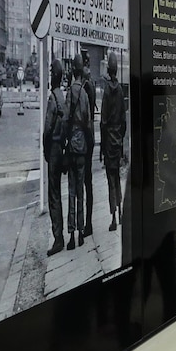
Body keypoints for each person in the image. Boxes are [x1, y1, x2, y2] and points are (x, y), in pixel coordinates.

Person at [64, 55, 91, 250]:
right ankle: (81, 232)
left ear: (73, 71)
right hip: (82, 147)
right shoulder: (85, 95)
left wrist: (67, 139)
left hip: (71, 147)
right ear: (82, 72)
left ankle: (71, 235)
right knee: (80, 190)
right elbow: (89, 124)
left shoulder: (69, 93)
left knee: (71, 191)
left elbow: (65, 120)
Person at [99, 51, 126, 232]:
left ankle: (114, 217)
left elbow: (102, 121)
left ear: (109, 70)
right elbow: (124, 120)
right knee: (117, 177)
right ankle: (122, 211)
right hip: (118, 140)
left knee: (110, 178)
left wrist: (102, 145)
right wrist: (121, 139)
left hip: (109, 140)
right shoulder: (121, 90)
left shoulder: (107, 90)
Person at [42, 59, 66, 257]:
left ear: (54, 76)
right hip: (62, 147)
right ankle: (60, 235)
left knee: (54, 195)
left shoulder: (52, 98)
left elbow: (47, 128)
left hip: (53, 149)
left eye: (51, 73)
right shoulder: (63, 97)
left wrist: (45, 148)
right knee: (58, 192)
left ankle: (58, 238)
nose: (50, 76)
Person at [81, 54, 97, 237]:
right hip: (91, 133)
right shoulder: (91, 82)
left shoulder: (85, 85)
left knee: (85, 181)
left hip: (86, 134)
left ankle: (87, 223)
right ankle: (88, 222)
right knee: (88, 181)